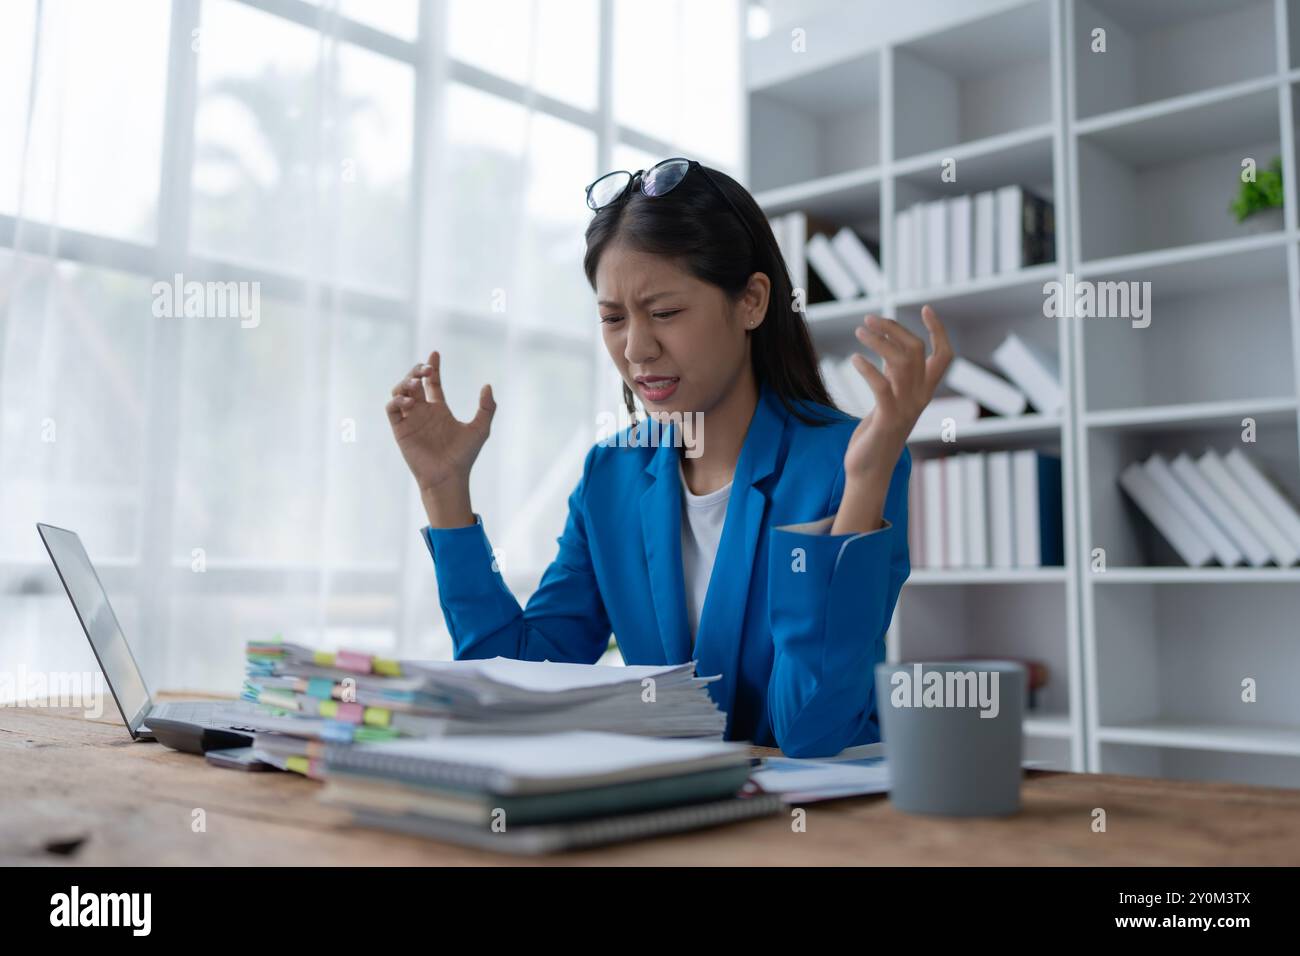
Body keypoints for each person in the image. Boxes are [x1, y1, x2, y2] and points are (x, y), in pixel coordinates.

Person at [386, 157, 952, 757]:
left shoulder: (849, 459)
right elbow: (519, 681)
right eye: (612, 318)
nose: (636, 348)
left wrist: (863, 484)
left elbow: (812, 728)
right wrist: (446, 492)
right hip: (670, 819)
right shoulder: (612, 476)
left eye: (664, 313)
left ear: (752, 302)